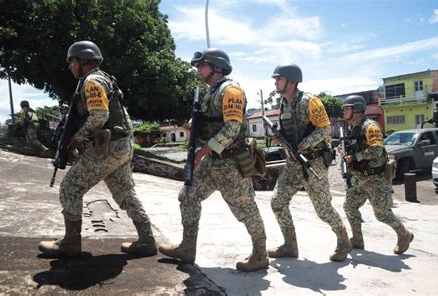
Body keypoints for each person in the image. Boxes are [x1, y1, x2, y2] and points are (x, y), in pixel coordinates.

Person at [38, 40, 157, 257]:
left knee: (70, 188)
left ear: (83, 60)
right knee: (126, 194)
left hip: (109, 147)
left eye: (72, 61)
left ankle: (70, 243)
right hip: (121, 145)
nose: (70, 66)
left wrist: (77, 137)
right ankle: (147, 240)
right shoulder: (104, 79)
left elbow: (100, 115)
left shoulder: (92, 81)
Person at [158, 48, 269, 272]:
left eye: (201, 66)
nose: (198, 70)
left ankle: (260, 254)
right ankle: (187, 248)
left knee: (245, 208)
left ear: (216, 67)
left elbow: (232, 127)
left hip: (230, 162)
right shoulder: (211, 92)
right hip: (211, 161)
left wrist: (204, 151)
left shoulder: (231, 91)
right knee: (188, 196)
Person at [267, 64, 352, 262]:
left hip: (313, 163)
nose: (275, 82)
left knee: (323, 209)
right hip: (292, 164)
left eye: (278, 79)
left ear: (291, 81)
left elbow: (325, 129)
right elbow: (287, 129)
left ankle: (344, 241)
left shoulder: (310, 101)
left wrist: (303, 145)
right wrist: (280, 137)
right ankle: (290, 245)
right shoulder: (283, 103)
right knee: (277, 202)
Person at [340, 95, 414, 254]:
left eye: (347, 108)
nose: (344, 111)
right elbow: (356, 148)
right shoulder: (353, 128)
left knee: (382, 214)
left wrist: (355, 156)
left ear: (357, 109)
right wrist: (346, 152)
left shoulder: (370, 126)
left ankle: (404, 235)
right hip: (358, 178)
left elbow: (377, 149)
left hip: (375, 178)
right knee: (349, 206)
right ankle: (357, 239)